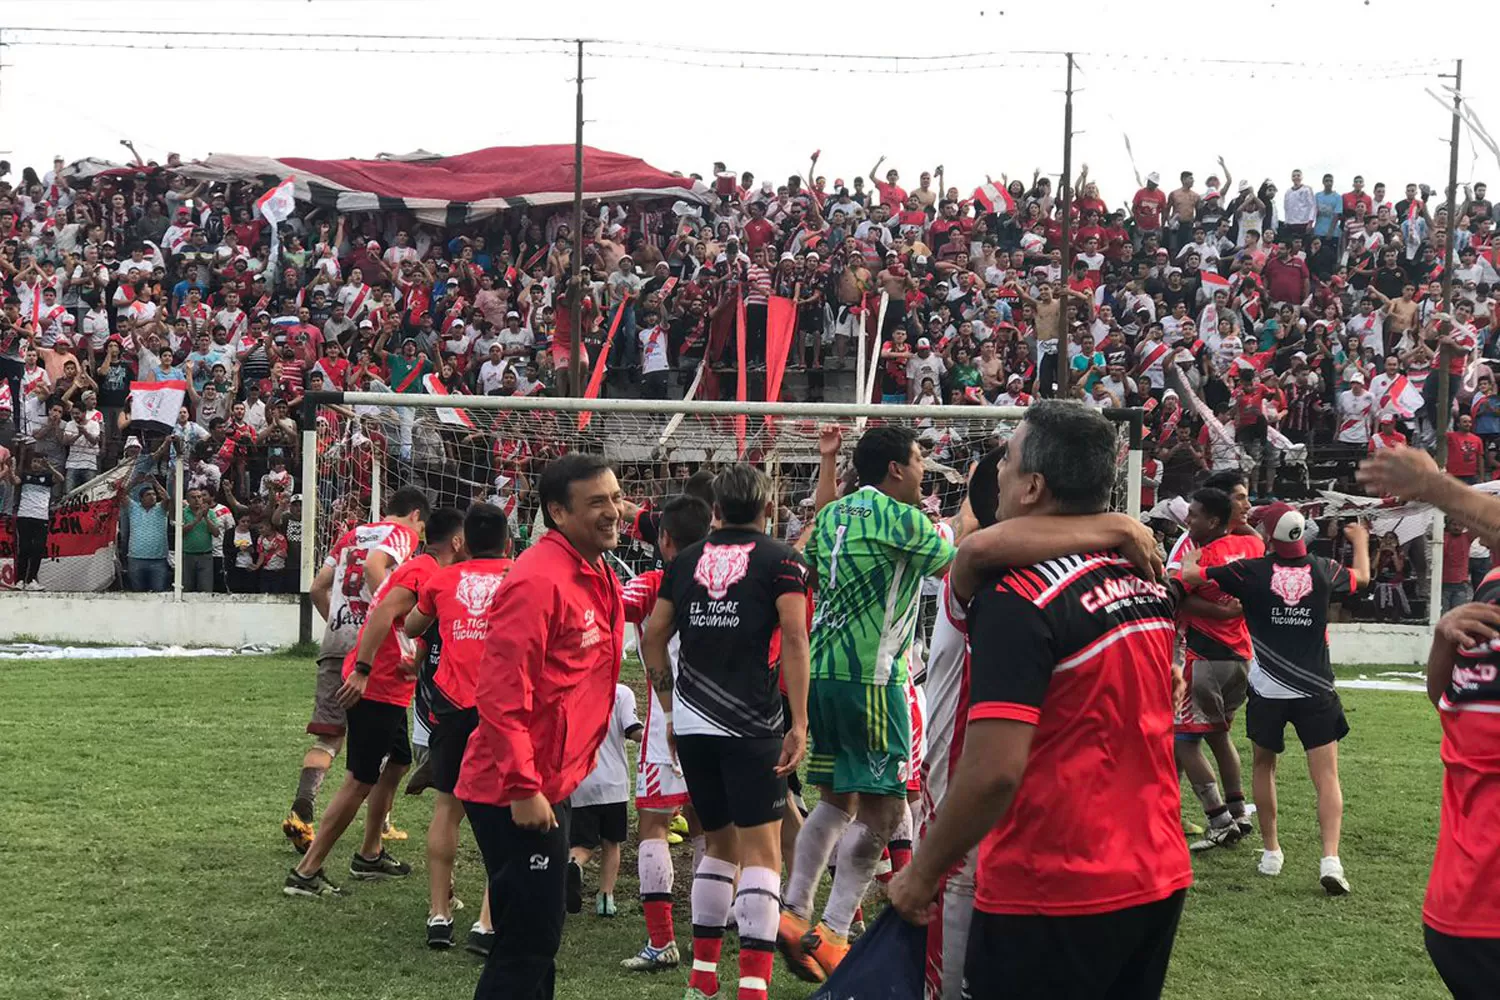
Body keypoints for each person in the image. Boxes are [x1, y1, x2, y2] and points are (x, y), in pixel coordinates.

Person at [889, 400, 1190, 1000]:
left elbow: (996, 771)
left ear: (1032, 486)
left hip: (1041, 874)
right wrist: (1120, 526)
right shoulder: (1144, 580)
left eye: (1008, 459)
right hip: (1155, 868)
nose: (997, 470)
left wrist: (918, 875)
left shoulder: (1014, 596)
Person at [780, 425, 955, 982]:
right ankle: (831, 932)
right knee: (885, 812)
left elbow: (827, 501)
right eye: (920, 458)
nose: (925, 469)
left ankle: (792, 912)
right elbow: (954, 563)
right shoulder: (903, 521)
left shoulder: (833, 514)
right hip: (873, 679)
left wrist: (827, 463)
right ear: (897, 469)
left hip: (824, 672)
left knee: (835, 800)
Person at [455, 453, 626, 1000]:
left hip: (552, 781)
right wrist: (524, 788)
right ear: (557, 512)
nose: (613, 511)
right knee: (530, 940)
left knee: (537, 935)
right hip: (514, 789)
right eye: (597, 502)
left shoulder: (594, 567)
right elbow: (502, 693)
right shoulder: (537, 580)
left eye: (616, 498)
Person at [642, 464, 811, 1000]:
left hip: (692, 721)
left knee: (717, 845)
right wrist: (799, 721)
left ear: (716, 510)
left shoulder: (686, 560)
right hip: (752, 722)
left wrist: (670, 710)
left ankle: (701, 981)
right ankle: (753, 987)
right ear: (768, 509)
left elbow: (652, 637)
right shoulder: (783, 562)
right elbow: (794, 637)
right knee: (763, 853)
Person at [1358, 445, 1500, 998]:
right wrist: (1444, 637)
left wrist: (1438, 487)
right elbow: (1446, 701)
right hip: (1458, 909)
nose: (1481, 537)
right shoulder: (1488, 592)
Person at [1181, 503, 1369, 892]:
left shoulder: (1251, 572)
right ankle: (1331, 860)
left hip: (1268, 690)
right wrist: (1361, 541)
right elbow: (1363, 577)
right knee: (1327, 776)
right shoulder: (1324, 569)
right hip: (1317, 688)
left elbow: (1189, 576)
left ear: (1269, 536)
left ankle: (1271, 852)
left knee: (1265, 768)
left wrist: (1196, 554)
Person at [283, 506, 466, 898]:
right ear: (456, 540)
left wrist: (413, 661)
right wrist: (362, 669)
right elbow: (383, 611)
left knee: (398, 761)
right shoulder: (423, 571)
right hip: (375, 685)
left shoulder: (425, 569)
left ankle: (369, 854)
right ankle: (306, 872)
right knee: (359, 780)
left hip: (389, 683)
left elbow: (409, 624)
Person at [282, 486, 431, 853]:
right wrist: (391, 609)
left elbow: (319, 587)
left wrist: (337, 625)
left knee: (331, 738)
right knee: (385, 744)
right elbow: (373, 568)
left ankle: (303, 812)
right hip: (376, 648)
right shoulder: (402, 535)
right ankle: (377, 829)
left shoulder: (352, 534)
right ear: (416, 515)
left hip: (336, 644)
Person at [403, 502, 514, 950]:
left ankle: (438, 915)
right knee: (505, 813)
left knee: (447, 808)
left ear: (464, 542)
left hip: (451, 706)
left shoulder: (442, 579)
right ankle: (487, 923)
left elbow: (412, 625)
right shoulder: (521, 576)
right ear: (508, 542)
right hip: (503, 707)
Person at [618, 495, 714, 974]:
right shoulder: (727, 584)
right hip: (720, 724)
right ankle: (708, 932)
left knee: (654, 826)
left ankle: (662, 941)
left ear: (666, 540)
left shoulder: (655, 582)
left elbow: (613, 605)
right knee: (704, 826)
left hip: (668, 725)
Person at [1173, 487, 1261, 849]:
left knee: (1183, 742)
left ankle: (1219, 818)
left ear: (1212, 520)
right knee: (1220, 734)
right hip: (1241, 656)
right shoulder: (1252, 547)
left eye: (1193, 514)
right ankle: (1239, 811)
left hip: (1205, 657)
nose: (1187, 519)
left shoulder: (1198, 556)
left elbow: (1177, 593)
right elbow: (1255, 540)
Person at [567, 683, 642, 918]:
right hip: (614, 784)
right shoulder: (621, 693)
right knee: (612, 842)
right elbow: (633, 729)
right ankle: (606, 899)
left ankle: (574, 865)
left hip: (580, 782)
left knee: (581, 844)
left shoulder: (572, 689)